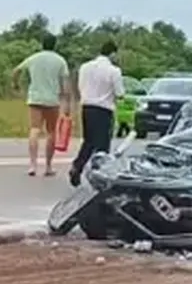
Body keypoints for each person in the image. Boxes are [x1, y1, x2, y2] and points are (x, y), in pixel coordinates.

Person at [12, 33, 70, 177]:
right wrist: (66, 101)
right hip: (52, 100)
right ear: (54, 44)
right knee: (51, 132)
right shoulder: (60, 61)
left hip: (35, 98)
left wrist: (16, 84)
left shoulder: (34, 58)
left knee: (34, 130)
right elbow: (65, 84)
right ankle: (48, 166)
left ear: (42, 44)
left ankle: (32, 165)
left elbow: (16, 70)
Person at [70, 40, 126, 187]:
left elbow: (80, 87)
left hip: (87, 107)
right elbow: (120, 94)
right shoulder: (114, 71)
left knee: (88, 141)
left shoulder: (85, 67)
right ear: (112, 53)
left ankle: (78, 165)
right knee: (102, 145)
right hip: (104, 110)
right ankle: (99, 176)